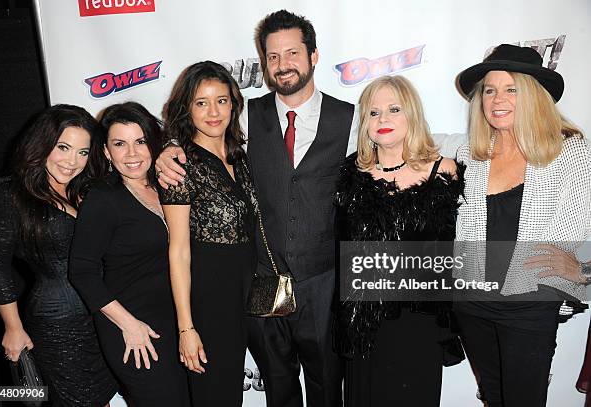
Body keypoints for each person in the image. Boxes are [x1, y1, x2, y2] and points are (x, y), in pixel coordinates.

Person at [156, 9, 357, 407]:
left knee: (327, 386)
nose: (283, 65)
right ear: (264, 63)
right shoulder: (244, 113)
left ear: (313, 56)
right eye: (273, 57)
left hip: (324, 282)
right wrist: (168, 149)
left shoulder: (349, 118)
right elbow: (202, 134)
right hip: (261, 283)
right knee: (278, 386)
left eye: (292, 53)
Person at [453, 44, 591, 407]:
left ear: (531, 95)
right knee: (493, 398)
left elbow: (582, 226)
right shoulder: (471, 153)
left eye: (511, 88)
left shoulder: (568, 149)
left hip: (531, 304)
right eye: (490, 89)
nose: (498, 99)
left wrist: (582, 270)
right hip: (473, 302)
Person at [333, 75, 463, 406]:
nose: (384, 119)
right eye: (374, 113)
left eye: (394, 109)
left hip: (420, 326)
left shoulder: (444, 171)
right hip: (365, 326)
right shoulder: (351, 176)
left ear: (412, 115)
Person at [0, 104, 118, 406]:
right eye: (63, 147)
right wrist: (13, 327)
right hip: (58, 323)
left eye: (83, 152)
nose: (72, 162)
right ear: (42, 144)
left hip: (101, 317)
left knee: (100, 398)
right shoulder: (10, 193)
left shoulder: (87, 189)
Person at [69, 102, 188, 407]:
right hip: (133, 331)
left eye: (140, 142)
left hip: (177, 322)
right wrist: (129, 325)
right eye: (120, 144)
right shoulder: (103, 198)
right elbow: (82, 271)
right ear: (107, 152)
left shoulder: (167, 184)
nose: (132, 154)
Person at [159, 60, 257, 407]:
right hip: (208, 297)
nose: (213, 112)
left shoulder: (238, 157)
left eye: (222, 100)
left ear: (234, 103)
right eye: (201, 102)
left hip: (242, 295)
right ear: (188, 109)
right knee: (213, 394)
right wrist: (186, 328)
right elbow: (179, 251)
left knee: (228, 392)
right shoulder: (180, 165)